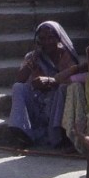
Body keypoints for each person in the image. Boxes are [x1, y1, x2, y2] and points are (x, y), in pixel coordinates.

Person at [8, 20, 79, 148]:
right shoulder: (33, 57)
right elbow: (19, 79)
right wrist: (32, 62)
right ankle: (23, 133)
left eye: (51, 38)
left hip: (56, 102)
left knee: (62, 89)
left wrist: (51, 81)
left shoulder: (66, 56)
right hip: (38, 101)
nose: (47, 42)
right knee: (18, 87)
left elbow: (73, 81)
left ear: (58, 38)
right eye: (43, 38)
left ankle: (59, 136)